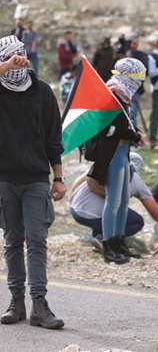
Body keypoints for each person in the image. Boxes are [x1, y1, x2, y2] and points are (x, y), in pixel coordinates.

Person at [0, 35, 66, 329]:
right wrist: (4, 67)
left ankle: (40, 304)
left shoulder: (42, 91)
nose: (19, 60)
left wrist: (59, 176)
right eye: (11, 55)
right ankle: (16, 303)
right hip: (4, 179)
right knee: (13, 241)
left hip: (37, 178)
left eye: (21, 54)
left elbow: (54, 137)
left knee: (37, 241)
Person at [70, 153, 158, 256]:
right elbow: (157, 213)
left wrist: (73, 200)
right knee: (137, 221)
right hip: (91, 215)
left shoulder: (103, 164)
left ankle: (96, 238)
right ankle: (103, 239)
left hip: (75, 210)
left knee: (116, 208)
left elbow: (77, 182)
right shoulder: (135, 181)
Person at [86, 58, 145, 264]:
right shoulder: (111, 95)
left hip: (122, 154)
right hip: (111, 155)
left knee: (122, 201)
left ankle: (119, 241)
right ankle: (108, 244)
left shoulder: (124, 96)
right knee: (112, 201)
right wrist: (132, 135)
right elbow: (108, 130)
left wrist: (134, 134)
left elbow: (125, 125)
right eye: (137, 77)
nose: (139, 82)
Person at [126, 37, 148, 127]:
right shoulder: (123, 54)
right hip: (120, 89)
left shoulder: (141, 55)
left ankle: (132, 137)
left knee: (132, 114)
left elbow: (143, 72)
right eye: (131, 43)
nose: (133, 46)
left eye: (135, 43)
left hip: (134, 89)